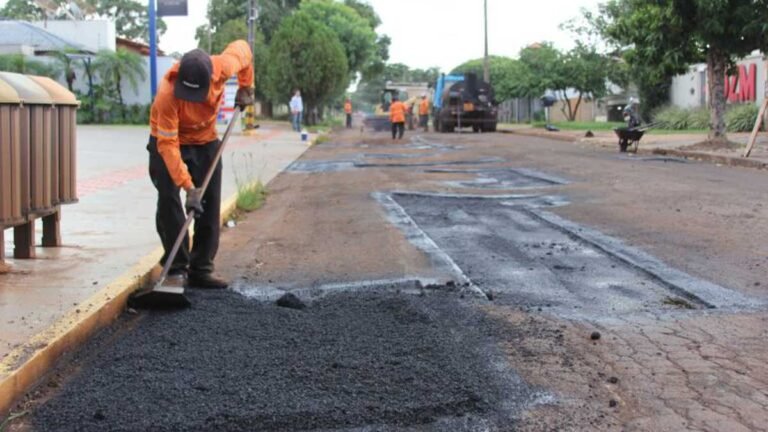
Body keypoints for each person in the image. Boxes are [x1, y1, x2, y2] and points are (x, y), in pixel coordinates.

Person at [147, 41, 254, 289]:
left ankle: (201, 268)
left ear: (213, 79)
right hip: (168, 141)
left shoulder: (224, 65)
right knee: (169, 199)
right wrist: (188, 186)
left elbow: (245, 51)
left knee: (209, 200)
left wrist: (246, 86)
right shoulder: (167, 94)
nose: (192, 101)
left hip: (205, 140)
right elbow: (168, 145)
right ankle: (175, 268)